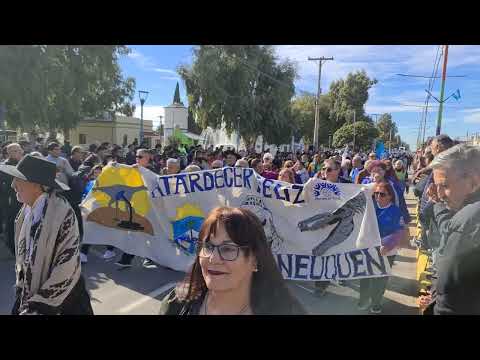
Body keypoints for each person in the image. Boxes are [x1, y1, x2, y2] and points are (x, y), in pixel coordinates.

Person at [159, 207, 306, 315]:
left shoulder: (286, 310)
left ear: (255, 260)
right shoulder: (177, 304)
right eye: (208, 246)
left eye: (228, 249)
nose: (213, 258)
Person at [0, 155, 93, 315]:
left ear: (36, 185)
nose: (13, 185)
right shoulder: (25, 211)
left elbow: (67, 265)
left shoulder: (62, 212)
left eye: (18, 179)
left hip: (63, 299)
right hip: (29, 292)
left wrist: (40, 305)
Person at [423, 144, 480, 314]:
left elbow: (450, 300)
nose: (439, 194)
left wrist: (433, 306)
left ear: (474, 181)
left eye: (444, 185)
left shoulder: (470, 221)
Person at [358, 181, 408, 314]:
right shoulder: (370, 208)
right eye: (376, 194)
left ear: (390, 196)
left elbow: (400, 232)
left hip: (387, 251)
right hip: (369, 248)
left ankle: (376, 302)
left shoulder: (395, 211)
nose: (378, 197)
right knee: (365, 275)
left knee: (380, 278)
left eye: (382, 194)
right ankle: (363, 299)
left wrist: (388, 245)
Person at [0, 143, 24, 255]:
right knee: (11, 225)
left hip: (23, 199)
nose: (20, 152)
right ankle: (12, 248)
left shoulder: (22, 164)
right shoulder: (4, 166)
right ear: (9, 153)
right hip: (10, 201)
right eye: (16, 151)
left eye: (20, 150)